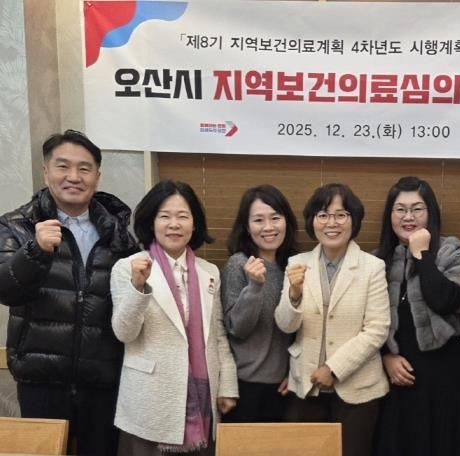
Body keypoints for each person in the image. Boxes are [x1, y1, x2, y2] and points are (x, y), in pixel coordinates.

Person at [0, 129, 137, 455]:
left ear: (97, 177)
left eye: (84, 168)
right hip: (41, 377)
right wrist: (35, 251)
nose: (74, 177)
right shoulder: (17, 225)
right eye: (63, 166)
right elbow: (6, 290)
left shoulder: (118, 234)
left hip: (102, 378)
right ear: (46, 172)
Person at [110, 180, 238, 455]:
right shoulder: (128, 267)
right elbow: (124, 332)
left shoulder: (209, 272)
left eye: (183, 216)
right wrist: (137, 287)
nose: (174, 224)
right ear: (151, 222)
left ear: (194, 223)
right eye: (164, 216)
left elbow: (217, 335)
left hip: (202, 399)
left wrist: (227, 385)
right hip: (150, 397)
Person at [274, 183, 390, 456]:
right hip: (306, 384)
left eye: (341, 215)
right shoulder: (296, 263)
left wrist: (334, 369)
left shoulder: (372, 267)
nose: (331, 223)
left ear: (354, 220)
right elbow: (285, 325)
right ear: (312, 221)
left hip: (358, 389)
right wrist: (294, 294)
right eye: (323, 215)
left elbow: (377, 329)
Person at [373, 176, 460, 456]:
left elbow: (445, 301)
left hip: (442, 375)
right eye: (400, 209)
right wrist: (385, 357)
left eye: (417, 209)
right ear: (390, 215)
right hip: (396, 375)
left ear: (430, 212)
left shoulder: (452, 250)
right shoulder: (377, 260)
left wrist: (422, 254)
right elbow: (366, 321)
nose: (408, 217)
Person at [221, 185, 298, 422]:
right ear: (247, 226)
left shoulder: (293, 266)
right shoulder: (239, 264)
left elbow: (301, 328)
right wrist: (254, 286)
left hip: (283, 386)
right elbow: (237, 328)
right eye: (258, 220)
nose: (268, 227)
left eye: (275, 218)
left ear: (286, 221)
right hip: (243, 386)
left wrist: (294, 373)